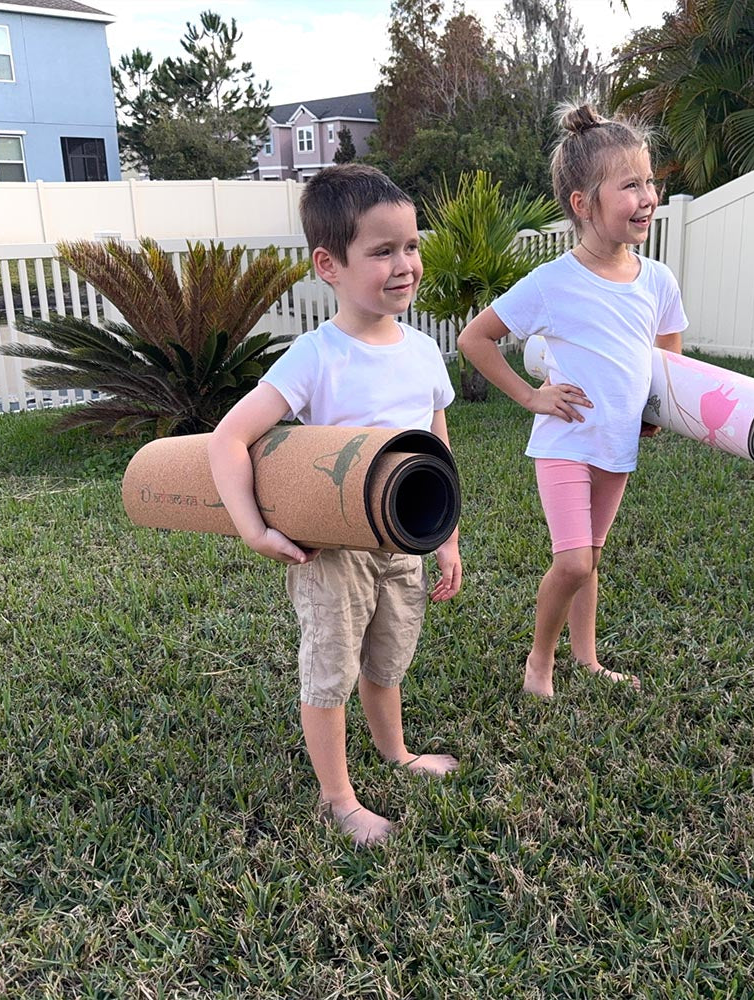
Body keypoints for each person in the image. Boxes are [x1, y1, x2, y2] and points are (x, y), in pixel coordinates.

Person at [208, 164, 462, 846]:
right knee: (332, 669)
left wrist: (447, 535)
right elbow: (230, 438)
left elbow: (435, 442)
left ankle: (396, 752)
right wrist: (254, 528)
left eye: (411, 245)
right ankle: (337, 797)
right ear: (330, 264)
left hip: (403, 543)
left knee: (389, 657)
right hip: (334, 553)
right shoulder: (316, 357)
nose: (404, 264)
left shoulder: (423, 351)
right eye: (382, 251)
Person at [457, 103, 687, 699]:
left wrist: (654, 413)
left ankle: (586, 659)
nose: (648, 197)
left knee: (594, 556)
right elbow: (474, 340)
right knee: (575, 561)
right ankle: (540, 662)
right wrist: (532, 396)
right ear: (583, 203)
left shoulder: (657, 281)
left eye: (650, 182)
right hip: (566, 440)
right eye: (630, 185)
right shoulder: (552, 282)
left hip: (617, 444)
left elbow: (669, 361)